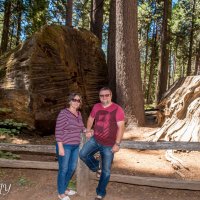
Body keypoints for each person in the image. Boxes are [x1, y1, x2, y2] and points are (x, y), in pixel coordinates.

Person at [79, 87, 125, 200]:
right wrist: (89, 130)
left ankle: (100, 193)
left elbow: (121, 128)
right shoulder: (96, 106)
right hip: (96, 139)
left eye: (106, 95)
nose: (104, 98)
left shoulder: (117, 109)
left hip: (109, 145)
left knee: (106, 171)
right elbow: (91, 118)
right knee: (83, 154)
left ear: (111, 95)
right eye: (101, 96)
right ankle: (96, 167)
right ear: (99, 97)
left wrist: (117, 144)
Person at [55, 93, 85, 200]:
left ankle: (64, 187)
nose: (76, 102)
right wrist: (60, 147)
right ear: (69, 101)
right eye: (74, 100)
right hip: (65, 145)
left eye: (78, 100)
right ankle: (61, 193)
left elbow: (81, 127)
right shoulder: (63, 113)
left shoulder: (79, 114)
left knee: (72, 168)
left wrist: (87, 131)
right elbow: (58, 131)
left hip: (75, 146)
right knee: (63, 169)